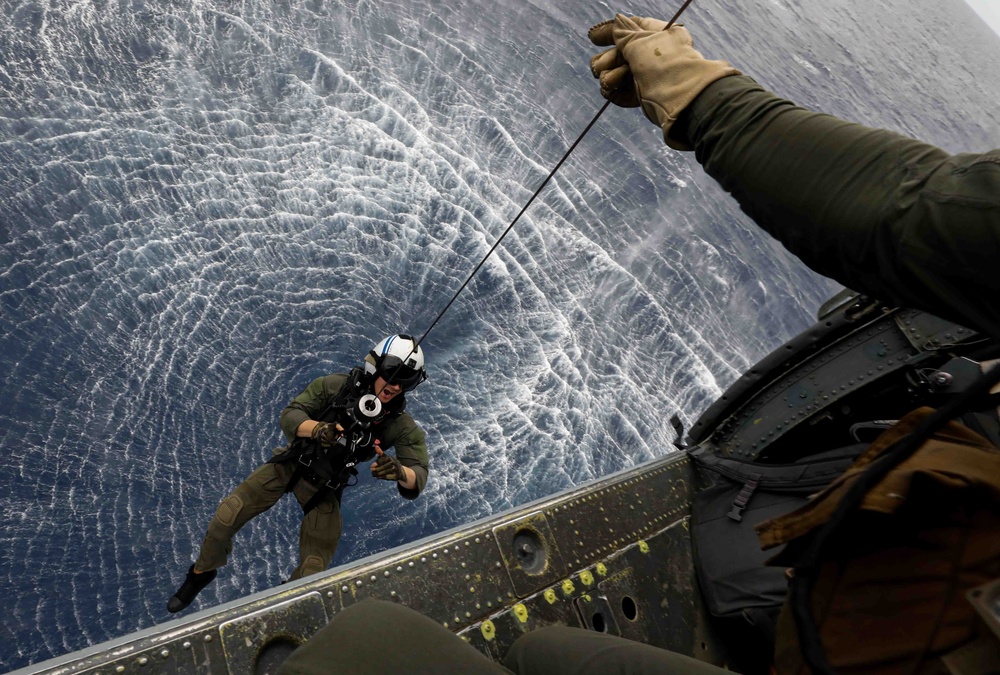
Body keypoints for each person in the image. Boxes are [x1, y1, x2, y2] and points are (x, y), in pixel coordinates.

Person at [273, 13, 1000, 675]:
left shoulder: (400, 425)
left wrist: (691, 86)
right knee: (541, 648)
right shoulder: (344, 396)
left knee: (363, 645)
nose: (387, 386)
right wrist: (314, 427)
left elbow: (908, 212)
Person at [167, 334, 430, 613]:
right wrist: (317, 430)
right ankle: (201, 573)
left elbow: (418, 473)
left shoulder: (399, 425)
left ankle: (284, 603)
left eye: (407, 381)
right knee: (226, 517)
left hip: (325, 487)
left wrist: (399, 472)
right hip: (290, 465)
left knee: (313, 571)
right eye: (392, 374)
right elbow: (291, 414)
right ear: (374, 367)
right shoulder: (334, 387)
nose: (396, 386)